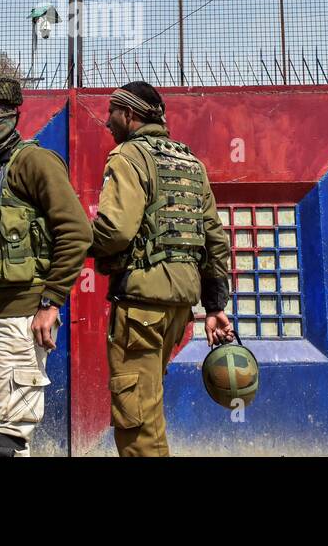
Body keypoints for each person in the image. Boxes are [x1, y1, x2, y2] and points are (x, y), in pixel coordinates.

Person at [89, 82, 234, 456]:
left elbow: (116, 230)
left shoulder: (128, 156)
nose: (107, 121)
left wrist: (77, 241)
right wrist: (215, 307)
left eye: (112, 112)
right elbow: (215, 239)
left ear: (131, 116)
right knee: (149, 410)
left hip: (140, 305)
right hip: (177, 309)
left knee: (135, 420)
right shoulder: (190, 162)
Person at [0, 75, 91, 457]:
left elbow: (77, 232)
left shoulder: (33, 162)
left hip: (21, 321)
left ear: (11, 114)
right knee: (9, 439)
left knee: (0, 439)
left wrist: (51, 302)